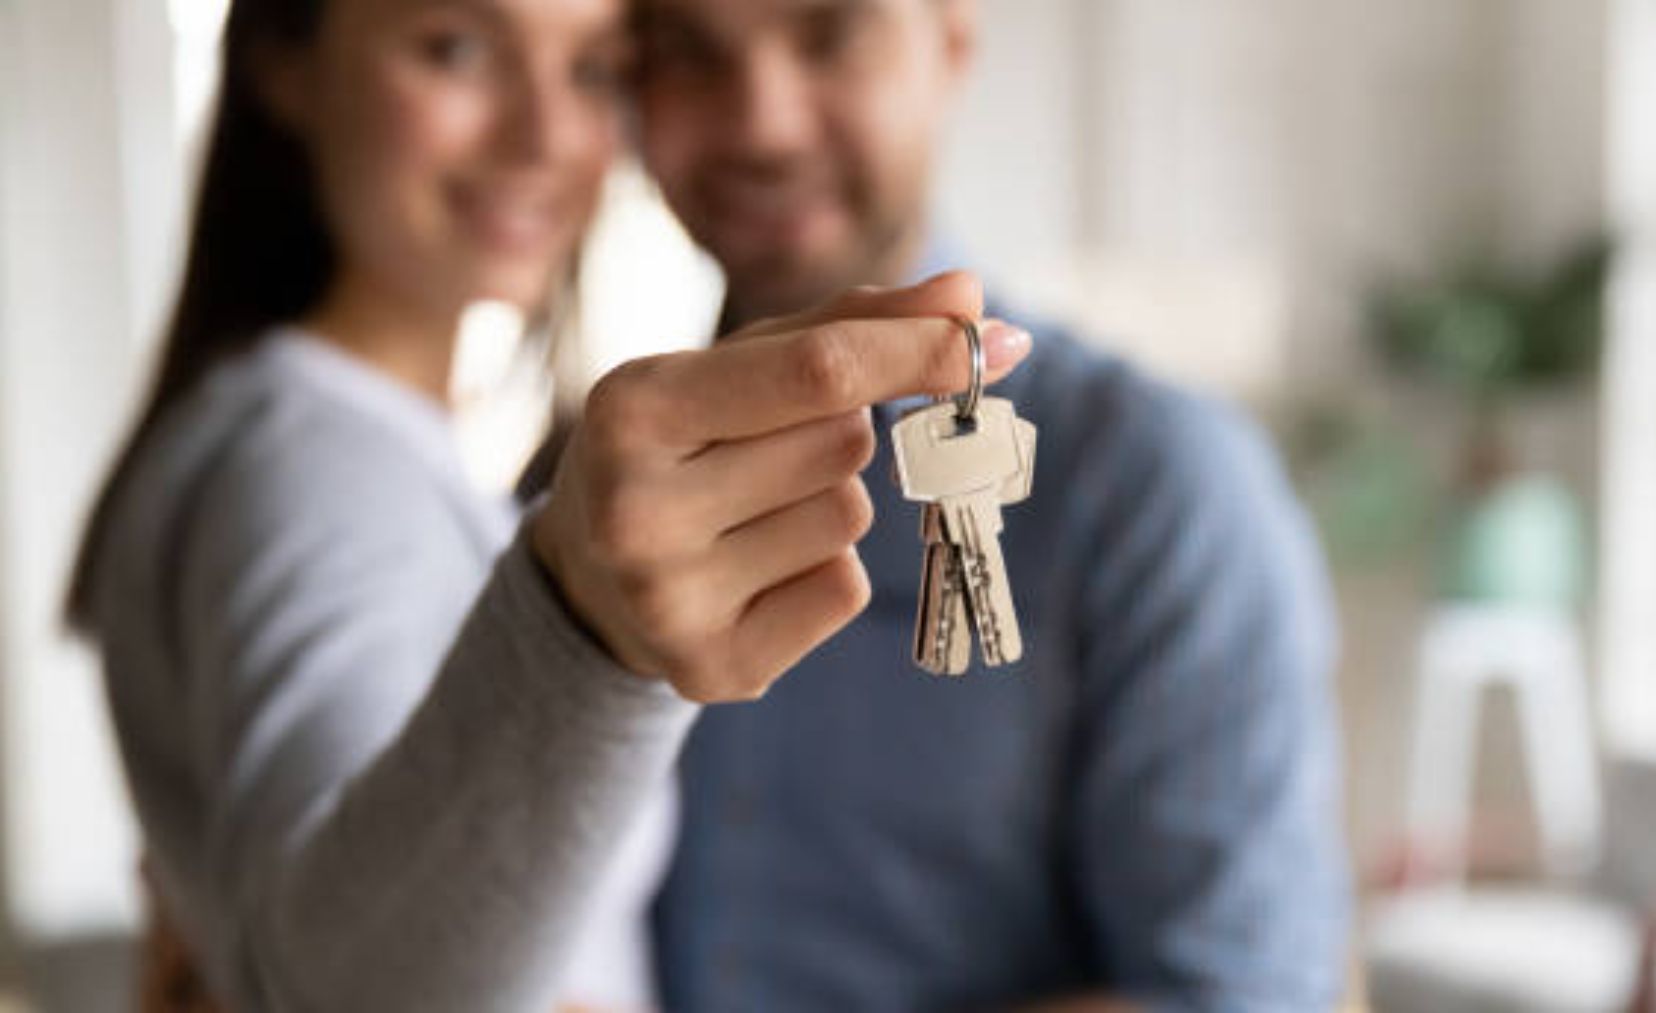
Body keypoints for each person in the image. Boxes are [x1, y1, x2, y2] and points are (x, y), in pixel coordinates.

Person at [68, 0, 1029, 1008]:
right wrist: (583, 638)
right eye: (460, 48)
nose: (548, 137)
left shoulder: (355, 444)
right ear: (283, 61)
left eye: (593, 70)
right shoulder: (314, 470)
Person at [630, 0, 1351, 1008]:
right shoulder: (587, 490)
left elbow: (1239, 991)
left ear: (952, 43)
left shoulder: (1155, 488)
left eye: (830, 34)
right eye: (687, 54)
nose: (763, 124)